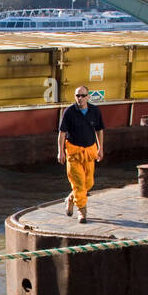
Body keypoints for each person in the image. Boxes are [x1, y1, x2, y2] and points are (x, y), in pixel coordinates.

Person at [57, 85, 104, 223]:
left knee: (88, 183)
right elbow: (62, 133)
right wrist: (60, 151)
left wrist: (100, 148)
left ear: (88, 97)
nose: (80, 98)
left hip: (89, 152)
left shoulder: (95, 111)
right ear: (75, 97)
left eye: (83, 95)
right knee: (78, 183)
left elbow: (99, 130)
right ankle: (82, 211)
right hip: (74, 153)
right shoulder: (69, 112)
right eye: (78, 95)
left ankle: (71, 198)